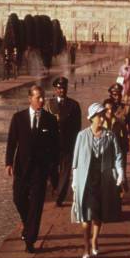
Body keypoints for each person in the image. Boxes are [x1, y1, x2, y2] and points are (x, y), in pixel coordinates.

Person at [5, 85, 59, 253]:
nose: (42, 100)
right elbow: (12, 142)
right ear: (30, 99)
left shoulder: (50, 120)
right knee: (18, 198)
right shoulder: (18, 118)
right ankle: (27, 223)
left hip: (40, 171)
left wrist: (53, 170)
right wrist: (8, 163)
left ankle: (30, 239)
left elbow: (55, 147)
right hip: (22, 168)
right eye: (38, 98)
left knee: (36, 206)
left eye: (43, 97)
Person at [71, 102, 124, 258]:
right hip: (85, 180)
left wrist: (120, 172)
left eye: (103, 115)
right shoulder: (82, 135)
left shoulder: (110, 135)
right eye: (99, 116)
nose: (102, 118)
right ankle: (86, 244)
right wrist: (74, 180)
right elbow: (76, 159)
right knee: (86, 215)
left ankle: (95, 240)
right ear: (92, 118)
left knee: (98, 213)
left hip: (103, 180)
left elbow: (118, 156)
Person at [46, 77, 82, 206]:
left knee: (65, 172)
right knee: (52, 170)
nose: (62, 90)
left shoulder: (74, 105)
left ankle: (60, 197)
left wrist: (77, 144)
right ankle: (56, 187)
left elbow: (77, 127)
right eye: (59, 88)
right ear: (55, 89)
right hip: (52, 145)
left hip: (68, 144)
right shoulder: (49, 104)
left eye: (64, 88)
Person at [108, 83, 130, 186]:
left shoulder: (127, 108)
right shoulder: (106, 107)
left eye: (119, 94)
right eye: (114, 94)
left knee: (121, 166)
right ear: (110, 95)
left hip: (121, 143)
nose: (117, 97)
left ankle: (121, 189)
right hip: (108, 143)